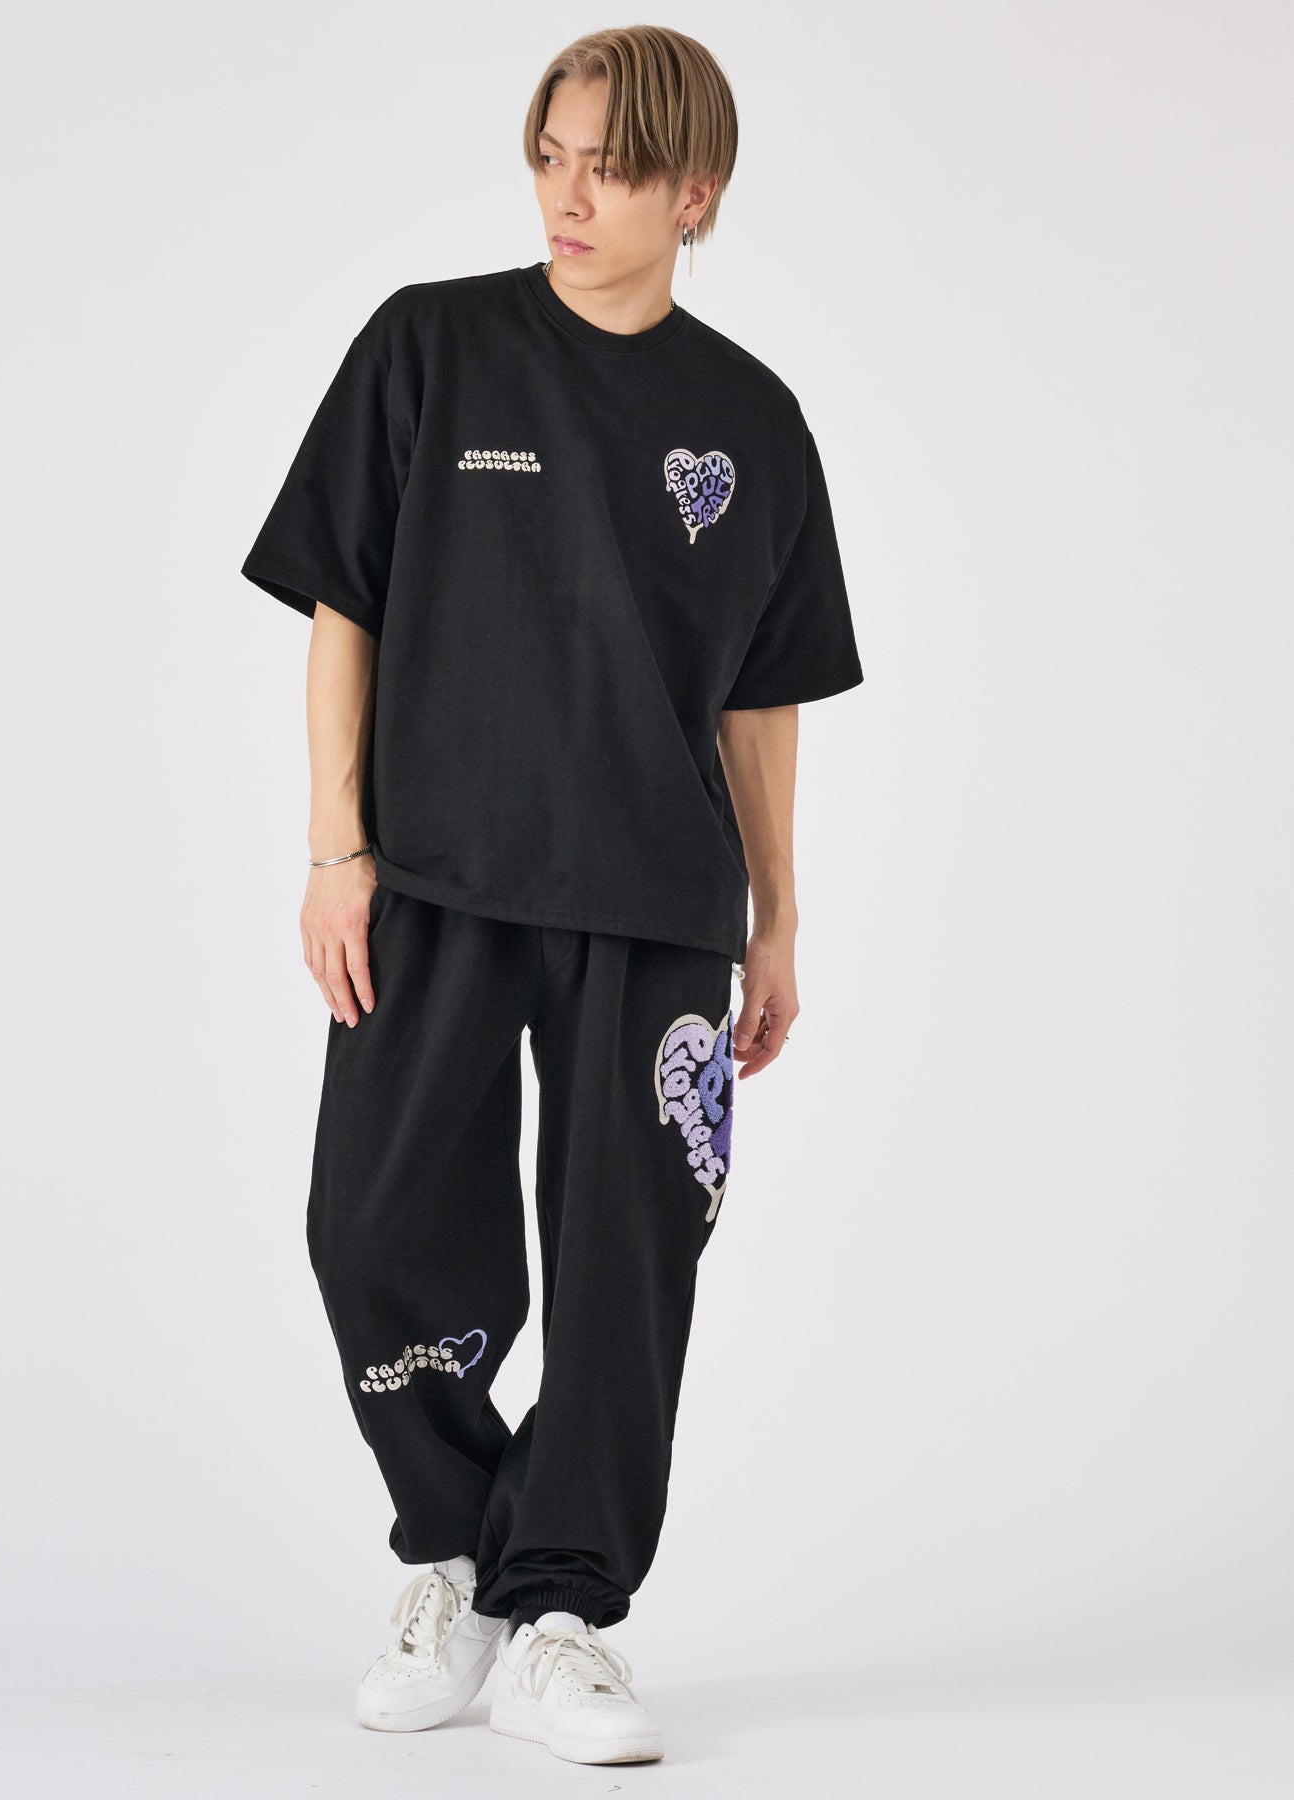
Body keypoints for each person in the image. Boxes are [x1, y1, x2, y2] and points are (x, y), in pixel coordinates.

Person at [238, 24, 863, 1768]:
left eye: (609, 167)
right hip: (433, 880)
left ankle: (567, 1609)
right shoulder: (430, 348)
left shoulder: (753, 422)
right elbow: (343, 607)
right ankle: (456, 1554)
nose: (566, 195)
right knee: (370, 1227)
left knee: (628, 1266)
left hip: (658, 903)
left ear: (695, 194)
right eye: (549, 155)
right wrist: (335, 850)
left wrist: (781, 916)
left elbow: (764, 696)